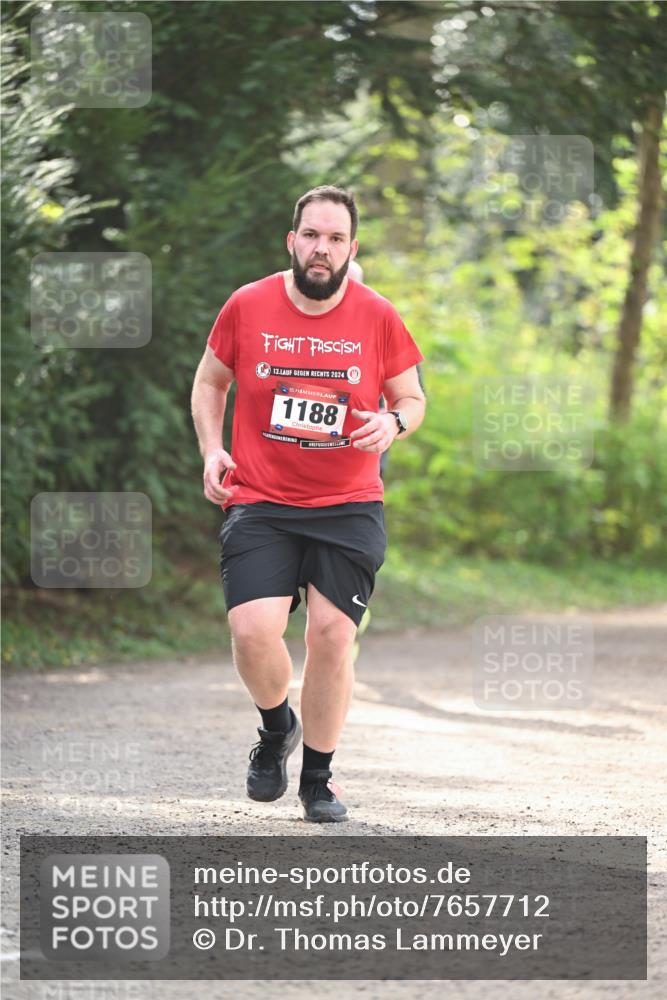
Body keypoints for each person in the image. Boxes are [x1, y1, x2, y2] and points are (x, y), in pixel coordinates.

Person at [191, 185, 425, 823]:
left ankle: (318, 780)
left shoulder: (377, 315)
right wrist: (213, 449)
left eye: (336, 239)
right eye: (313, 236)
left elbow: (411, 398)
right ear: (292, 241)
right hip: (261, 497)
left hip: (347, 502)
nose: (323, 249)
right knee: (251, 631)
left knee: (330, 634)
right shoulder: (248, 304)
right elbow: (211, 381)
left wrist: (394, 425)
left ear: (353, 248)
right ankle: (276, 729)